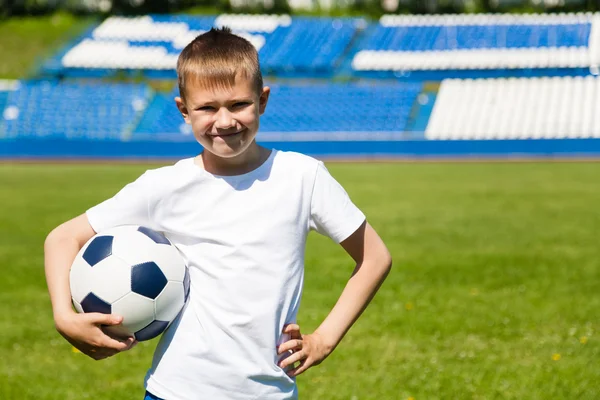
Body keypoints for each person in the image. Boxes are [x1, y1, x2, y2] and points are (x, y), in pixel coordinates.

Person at [44, 27, 392, 400]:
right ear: (183, 110)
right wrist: (65, 316)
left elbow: (374, 258)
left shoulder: (303, 177)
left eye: (238, 104)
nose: (224, 121)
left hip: (269, 392)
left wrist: (323, 339)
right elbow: (62, 238)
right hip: (174, 391)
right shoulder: (164, 186)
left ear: (263, 100)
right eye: (207, 108)